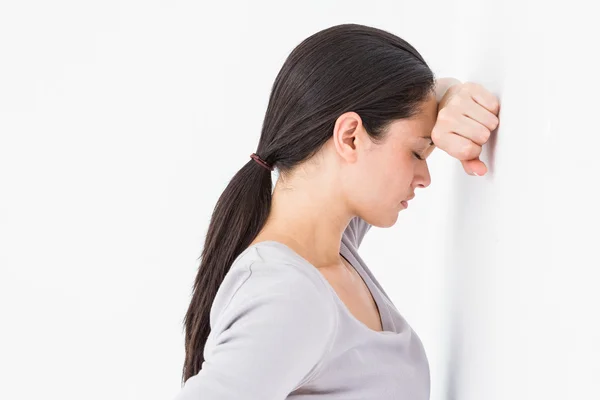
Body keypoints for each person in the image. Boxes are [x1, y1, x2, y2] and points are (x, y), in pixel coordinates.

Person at [175, 23, 500, 400]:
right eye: (416, 153)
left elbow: (433, 90)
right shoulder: (286, 294)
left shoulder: (328, 246)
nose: (424, 177)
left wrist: (449, 96)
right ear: (350, 137)